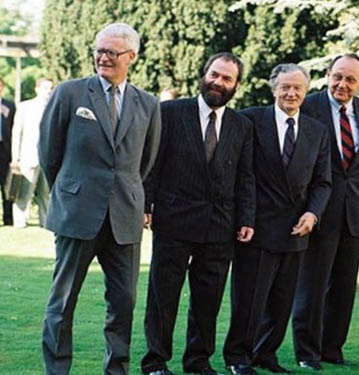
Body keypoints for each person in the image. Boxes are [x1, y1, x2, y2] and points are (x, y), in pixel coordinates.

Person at [38, 23, 161, 375]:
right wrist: (71, 192)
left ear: (131, 57)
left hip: (124, 218)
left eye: (112, 52)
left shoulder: (148, 104)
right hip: (77, 215)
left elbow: (145, 163)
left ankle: (116, 370)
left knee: (123, 304)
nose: (103, 57)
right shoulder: (69, 94)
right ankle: (57, 370)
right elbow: (49, 153)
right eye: (99, 50)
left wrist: (133, 198)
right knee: (62, 303)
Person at [141, 52, 255, 375]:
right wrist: (145, 206)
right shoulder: (170, 113)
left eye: (227, 78)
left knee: (208, 300)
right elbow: (153, 165)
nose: (218, 82)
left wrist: (246, 218)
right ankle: (155, 362)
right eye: (214, 75)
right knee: (163, 297)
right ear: (204, 74)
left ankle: (197, 360)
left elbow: (246, 176)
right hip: (174, 221)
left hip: (220, 226)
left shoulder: (242, 126)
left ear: (236, 86)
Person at [223, 63, 331, 375]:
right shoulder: (250, 120)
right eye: (285, 86)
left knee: (282, 302)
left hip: (297, 230)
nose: (291, 93)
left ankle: (266, 355)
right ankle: (238, 358)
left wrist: (313, 213)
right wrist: (244, 217)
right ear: (274, 89)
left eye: (297, 87)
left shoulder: (316, 131)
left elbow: (323, 182)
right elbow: (240, 174)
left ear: (306, 91)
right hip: (255, 227)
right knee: (249, 301)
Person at [291, 53, 359, 370]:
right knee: (312, 286)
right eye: (337, 76)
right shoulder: (309, 106)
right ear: (328, 74)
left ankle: (332, 349)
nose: (342, 84)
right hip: (318, 211)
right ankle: (307, 352)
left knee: (344, 286)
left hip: (354, 213)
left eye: (350, 79)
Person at [11, 77, 54, 228]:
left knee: (46, 193)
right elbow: (17, 133)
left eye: (50, 88)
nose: (48, 91)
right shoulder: (25, 107)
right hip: (28, 156)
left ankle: (46, 221)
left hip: (49, 158)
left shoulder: (55, 107)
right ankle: (20, 221)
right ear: (37, 89)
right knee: (24, 192)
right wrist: (15, 157)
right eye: (45, 88)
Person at [0, 77, 16, 226]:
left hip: (5, 152)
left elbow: (14, 129)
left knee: (7, 186)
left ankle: (8, 218)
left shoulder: (10, 106)